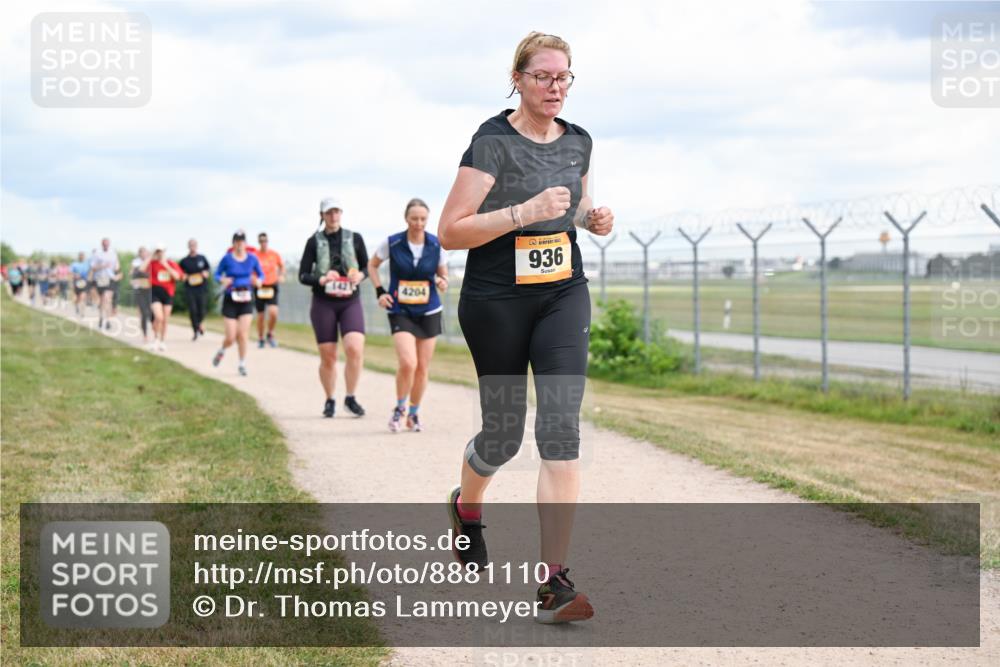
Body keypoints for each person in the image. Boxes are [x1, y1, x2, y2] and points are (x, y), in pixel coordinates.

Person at [437, 32, 614, 624]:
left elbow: (578, 206)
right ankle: (467, 507)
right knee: (504, 438)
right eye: (542, 76)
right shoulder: (492, 143)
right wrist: (521, 213)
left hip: (563, 294)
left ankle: (554, 582)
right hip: (496, 300)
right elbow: (451, 231)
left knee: (560, 430)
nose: (554, 87)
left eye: (564, 77)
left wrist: (594, 217)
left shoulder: (580, 141)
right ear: (517, 78)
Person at [368, 198, 448, 433]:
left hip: (429, 310)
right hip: (400, 310)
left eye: (423, 219)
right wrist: (380, 292)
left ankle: (414, 413)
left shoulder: (436, 244)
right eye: (414, 219)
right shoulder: (392, 243)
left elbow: (442, 275)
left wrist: (443, 282)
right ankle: (400, 409)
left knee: (422, 367)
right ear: (406, 219)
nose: (419, 223)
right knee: (408, 363)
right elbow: (371, 266)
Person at [298, 197, 369, 418]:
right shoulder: (313, 241)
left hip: (349, 301)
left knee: (354, 348)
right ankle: (330, 399)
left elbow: (367, 267)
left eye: (337, 211)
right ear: (322, 216)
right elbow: (303, 274)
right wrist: (320, 279)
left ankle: (351, 397)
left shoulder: (355, 238)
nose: (333, 216)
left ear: (341, 214)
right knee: (328, 356)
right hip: (323, 302)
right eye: (329, 212)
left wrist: (361, 275)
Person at [212, 230, 264, 376]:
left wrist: (258, 281)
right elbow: (217, 274)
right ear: (233, 243)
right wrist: (223, 280)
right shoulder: (227, 259)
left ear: (245, 243)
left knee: (242, 333)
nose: (240, 244)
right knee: (231, 336)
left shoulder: (252, 259)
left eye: (242, 241)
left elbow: (261, 274)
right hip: (230, 299)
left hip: (246, 299)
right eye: (237, 241)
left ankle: (242, 363)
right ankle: (222, 350)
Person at [143, 243, 183, 351]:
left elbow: (177, 277)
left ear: (164, 252)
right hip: (155, 292)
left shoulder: (171, 263)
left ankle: (162, 341)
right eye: (157, 251)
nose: (159, 253)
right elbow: (142, 269)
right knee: (158, 317)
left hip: (168, 293)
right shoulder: (152, 263)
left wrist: (165, 265)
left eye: (161, 251)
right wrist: (150, 256)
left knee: (165, 319)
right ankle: (155, 338)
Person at [253, 231, 286, 348]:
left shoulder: (274, 254)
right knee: (261, 315)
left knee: (273, 313)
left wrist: (281, 275)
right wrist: (254, 279)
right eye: (261, 241)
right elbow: (250, 271)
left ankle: (270, 334)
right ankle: (261, 338)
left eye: (265, 241)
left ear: (268, 241)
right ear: (258, 242)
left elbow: (282, 266)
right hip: (260, 287)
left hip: (272, 286)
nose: (263, 243)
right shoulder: (254, 256)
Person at [178, 239, 211, 340]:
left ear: (197, 246)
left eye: (194, 245)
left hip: (201, 288)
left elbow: (208, 269)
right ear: (188, 246)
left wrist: (206, 273)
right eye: (191, 245)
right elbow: (180, 273)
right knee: (193, 310)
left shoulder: (202, 258)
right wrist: (183, 276)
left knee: (202, 310)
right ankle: (195, 330)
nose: (192, 247)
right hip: (190, 289)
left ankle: (199, 325)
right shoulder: (184, 261)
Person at [90, 238, 120, 330]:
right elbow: (93, 267)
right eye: (104, 244)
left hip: (110, 278)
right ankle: (101, 317)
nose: (106, 245)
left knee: (108, 298)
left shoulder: (113, 253)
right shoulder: (97, 254)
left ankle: (107, 321)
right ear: (102, 244)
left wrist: (117, 271)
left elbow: (117, 266)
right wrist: (102, 266)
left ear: (109, 244)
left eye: (107, 244)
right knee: (102, 300)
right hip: (100, 278)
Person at [130, 247, 155, 345]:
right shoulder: (136, 262)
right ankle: (145, 335)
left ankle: (155, 331)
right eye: (143, 252)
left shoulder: (151, 262)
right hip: (139, 290)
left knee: (150, 311)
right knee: (144, 312)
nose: (144, 254)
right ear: (139, 253)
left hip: (149, 289)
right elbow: (132, 274)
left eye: (146, 253)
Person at [70, 252, 91, 316]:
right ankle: (76, 306)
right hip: (76, 282)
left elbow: (90, 271)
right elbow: (70, 273)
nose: (81, 257)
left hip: (84, 282)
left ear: (84, 257)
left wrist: (89, 278)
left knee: (83, 297)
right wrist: (75, 275)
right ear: (78, 257)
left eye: (82, 256)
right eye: (80, 256)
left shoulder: (87, 264)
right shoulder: (74, 264)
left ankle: (82, 312)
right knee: (77, 298)